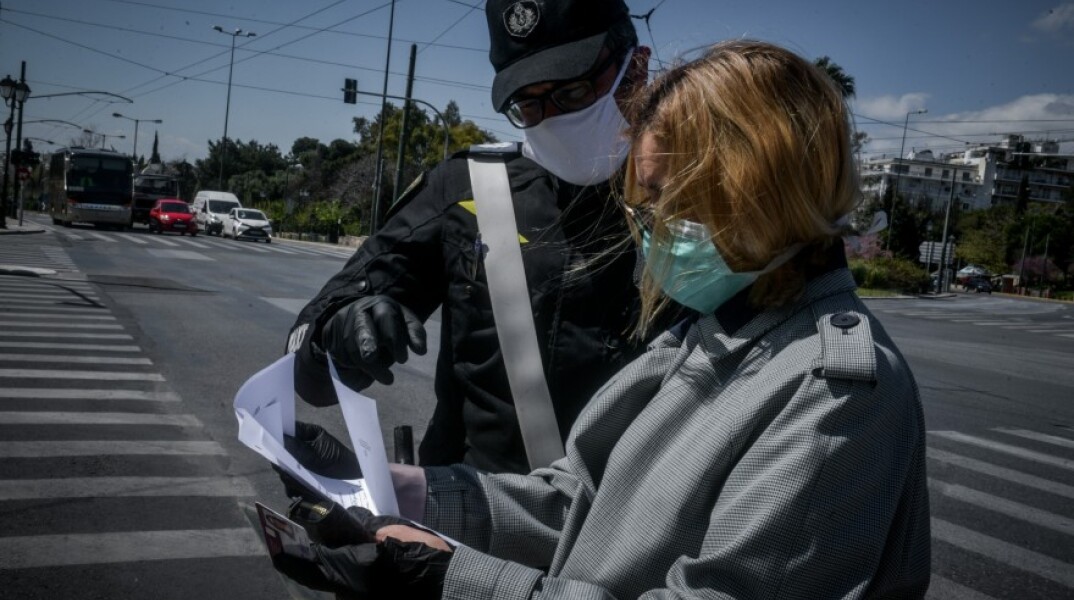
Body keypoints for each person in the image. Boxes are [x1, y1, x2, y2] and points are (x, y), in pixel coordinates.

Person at [273, 40, 932, 598]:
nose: (650, 228)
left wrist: (451, 579)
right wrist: (401, 492)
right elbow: (578, 503)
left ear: (754, 192)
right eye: (642, 207)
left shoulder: (832, 393)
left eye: (664, 200)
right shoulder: (707, 334)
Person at [286, 0, 655, 474]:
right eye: (528, 103)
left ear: (636, 67)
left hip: (641, 529)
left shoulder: (700, 197)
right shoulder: (467, 189)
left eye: (574, 92)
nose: (552, 118)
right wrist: (335, 336)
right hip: (470, 518)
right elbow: (307, 371)